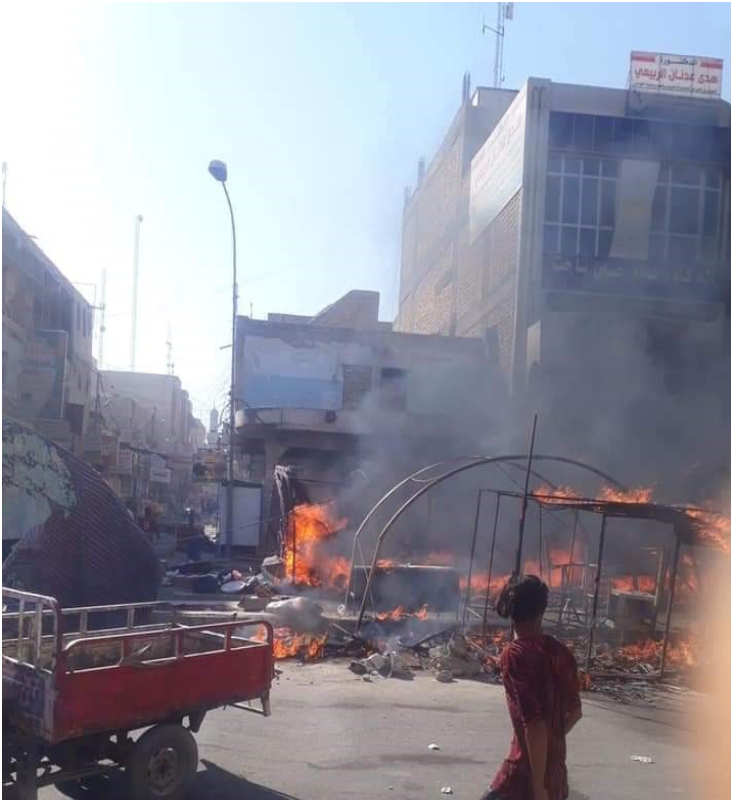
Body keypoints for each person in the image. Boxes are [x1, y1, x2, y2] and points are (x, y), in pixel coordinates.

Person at [484, 575, 582, 800]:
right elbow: (575, 712)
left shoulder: (515, 655)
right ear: (542, 610)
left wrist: (538, 787)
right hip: (557, 780)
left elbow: (535, 725)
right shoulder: (560, 652)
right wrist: (551, 739)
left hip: (523, 780)